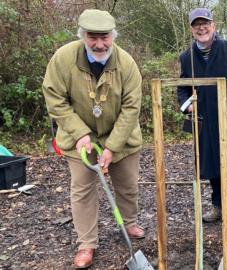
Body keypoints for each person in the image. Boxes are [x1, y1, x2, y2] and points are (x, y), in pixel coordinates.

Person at [42, 9, 144, 269]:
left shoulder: (127, 63)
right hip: (80, 138)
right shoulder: (63, 59)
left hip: (121, 137)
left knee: (128, 184)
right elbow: (54, 98)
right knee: (82, 190)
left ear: (113, 35)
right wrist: (80, 134)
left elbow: (131, 108)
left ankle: (129, 222)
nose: (99, 44)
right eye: (92, 37)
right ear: (82, 35)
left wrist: (111, 146)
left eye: (105, 37)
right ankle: (87, 242)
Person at [177, 8, 227, 231]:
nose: (201, 28)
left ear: (214, 25)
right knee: (211, 166)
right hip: (205, 121)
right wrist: (187, 105)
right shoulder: (187, 58)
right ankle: (218, 207)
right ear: (192, 30)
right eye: (196, 25)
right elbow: (182, 90)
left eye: (205, 23)